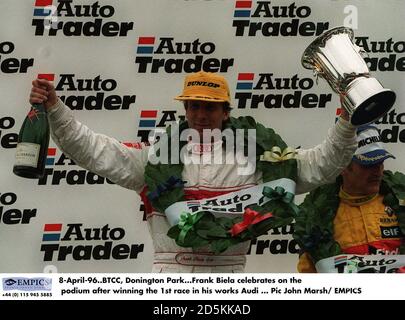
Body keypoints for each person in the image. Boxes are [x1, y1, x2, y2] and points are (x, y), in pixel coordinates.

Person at [29, 71, 357, 273]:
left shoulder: (263, 159)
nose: (201, 115)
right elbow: (96, 151)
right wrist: (56, 109)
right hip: (169, 277)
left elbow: (320, 166)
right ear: (185, 109)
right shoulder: (155, 158)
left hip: (229, 276)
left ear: (226, 111)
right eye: (194, 106)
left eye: (210, 107)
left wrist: (347, 122)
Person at [295, 125, 405, 273]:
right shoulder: (318, 214)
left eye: (380, 163)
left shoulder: (399, 199)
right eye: (369, 164)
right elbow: (309, 274)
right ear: (343, 167)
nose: (377, 171)